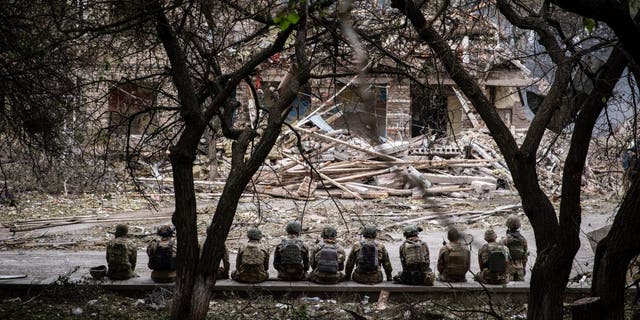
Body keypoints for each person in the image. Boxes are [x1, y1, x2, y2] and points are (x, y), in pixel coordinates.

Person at [500, 215, 529, 281]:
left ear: (508, 225)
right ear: (518, 226)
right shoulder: (523, 239)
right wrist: (523, 269)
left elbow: (501, 256)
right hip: (520, 269)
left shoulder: (504, 240)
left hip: (508, 270)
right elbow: (525, 257)